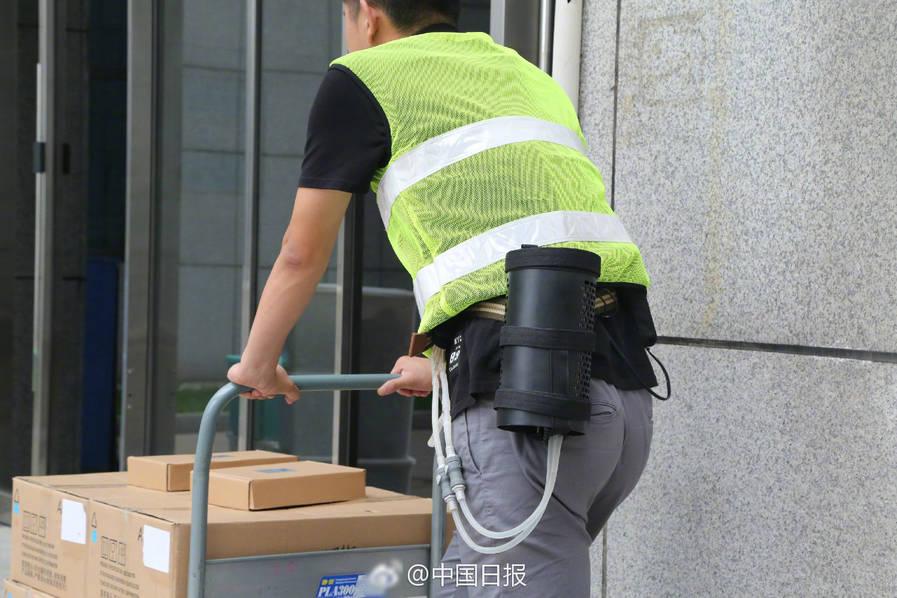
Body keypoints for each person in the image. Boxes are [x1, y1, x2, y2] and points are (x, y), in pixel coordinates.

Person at [227, 1, 667, 595]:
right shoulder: (523, 72)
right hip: (619, 400)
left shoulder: (363, 78)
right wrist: (446, 366)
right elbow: (511, 233)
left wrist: (258, 364)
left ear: (367, 13)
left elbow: (300, 253)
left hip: (532, 413)